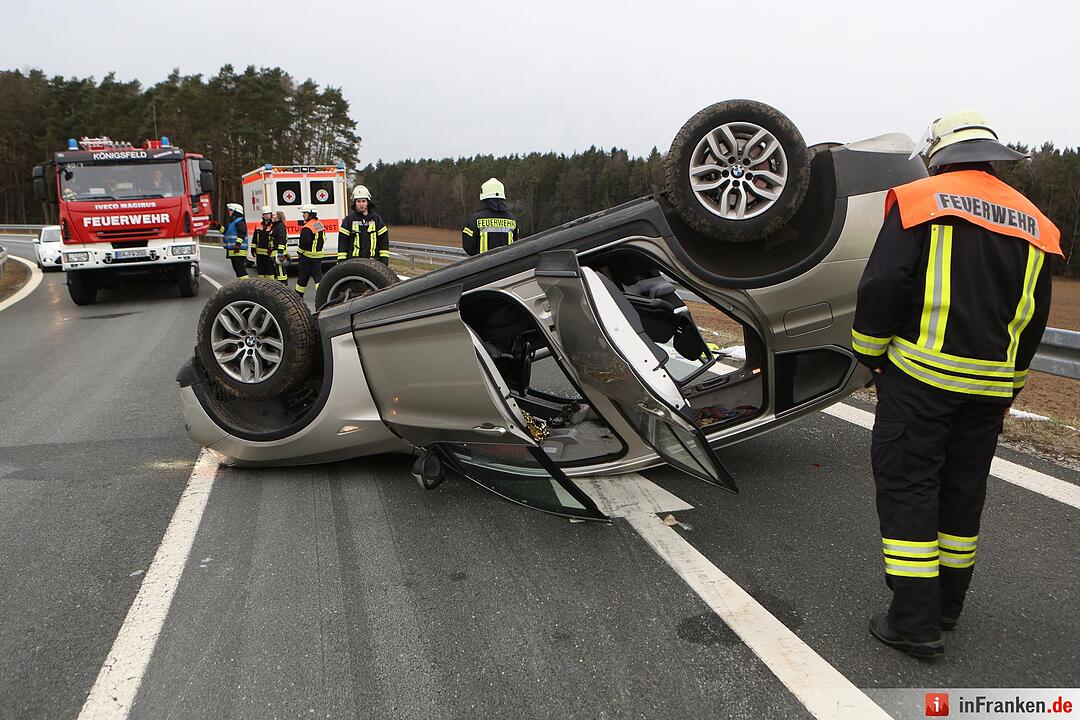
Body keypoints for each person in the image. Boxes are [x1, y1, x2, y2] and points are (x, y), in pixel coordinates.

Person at [851, 110, 1061, 658]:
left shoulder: (921, 199)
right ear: (993, 158)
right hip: (990, 388)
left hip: (921, 378)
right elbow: (1034, 318)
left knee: (909, 485)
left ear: (939, 154)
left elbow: (883, 284)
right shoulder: (1035, 222)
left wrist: (870, 356)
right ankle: (947, 605)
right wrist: (1010, 383)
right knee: (963, 493)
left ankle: (914, 623)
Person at [462, 178, 519, 256]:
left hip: (482, 266)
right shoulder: (512, 219)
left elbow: (468, 246)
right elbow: (516, 242)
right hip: (507, 266)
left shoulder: (476, 219)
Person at [338, 185, 390, 264]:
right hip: (353, 262)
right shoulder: (349, 220)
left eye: (363, 201)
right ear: (355, 203)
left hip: (373, 262)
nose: (361, 204)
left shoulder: (376, 219)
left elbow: (383, 243)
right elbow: (342, 243)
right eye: (358, 201)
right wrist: (341, 263)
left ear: (368, 202)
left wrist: (384, 262)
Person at [295, 204, 326, 299]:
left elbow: (304, 243)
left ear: (311, 214)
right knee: (318, 277)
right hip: (318, 256)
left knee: (302, 278)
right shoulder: (319, 224)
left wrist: (299, 252)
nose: (303, 215)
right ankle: (322, 295)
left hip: (307, 257)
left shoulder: (307, 227)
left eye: (305, 213)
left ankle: (297, 297)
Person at [252, 205, 288, 283]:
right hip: (263, 252)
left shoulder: (277, 225)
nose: (271, 216)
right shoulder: (269, 225)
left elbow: (282, 239)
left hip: (273, 252)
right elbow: (255, 237)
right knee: (264, 271)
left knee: (278, 271)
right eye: (265, 214)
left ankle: (281, 287)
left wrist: (280, 252)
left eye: (269, 214)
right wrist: (253, 247)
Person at [214, 203, 249, 280]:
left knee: (241, 270)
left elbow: (242, 234)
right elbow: (226, 232)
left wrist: (237, 245)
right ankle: (241, 284)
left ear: (236, 211)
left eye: (231, 210)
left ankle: (246, 285)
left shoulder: (239, 222)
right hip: (233, 250)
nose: (229, 212)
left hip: (239, 250)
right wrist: (218, 226)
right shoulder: (232, 222)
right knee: (237, 269)